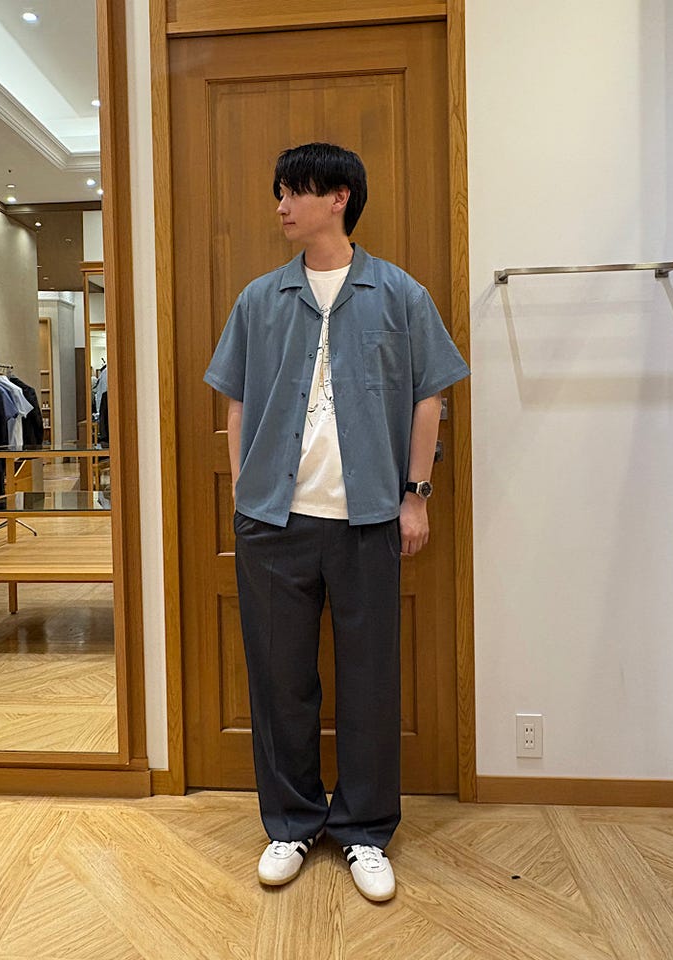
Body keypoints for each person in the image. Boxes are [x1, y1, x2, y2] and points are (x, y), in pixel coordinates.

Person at [204, 142, 470, 902]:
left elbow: (429, 397)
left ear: (339, 198)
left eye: (295, 191)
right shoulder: (260, 299)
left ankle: (364, 832)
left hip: (368, 521)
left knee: (370, 681)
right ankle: (290, 823)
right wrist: (245, 489)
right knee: (279, 680)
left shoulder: (400, 294)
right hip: (273, 524)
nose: (282, 205)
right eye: (280, 191)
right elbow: (236, 400)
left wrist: (416, 494)